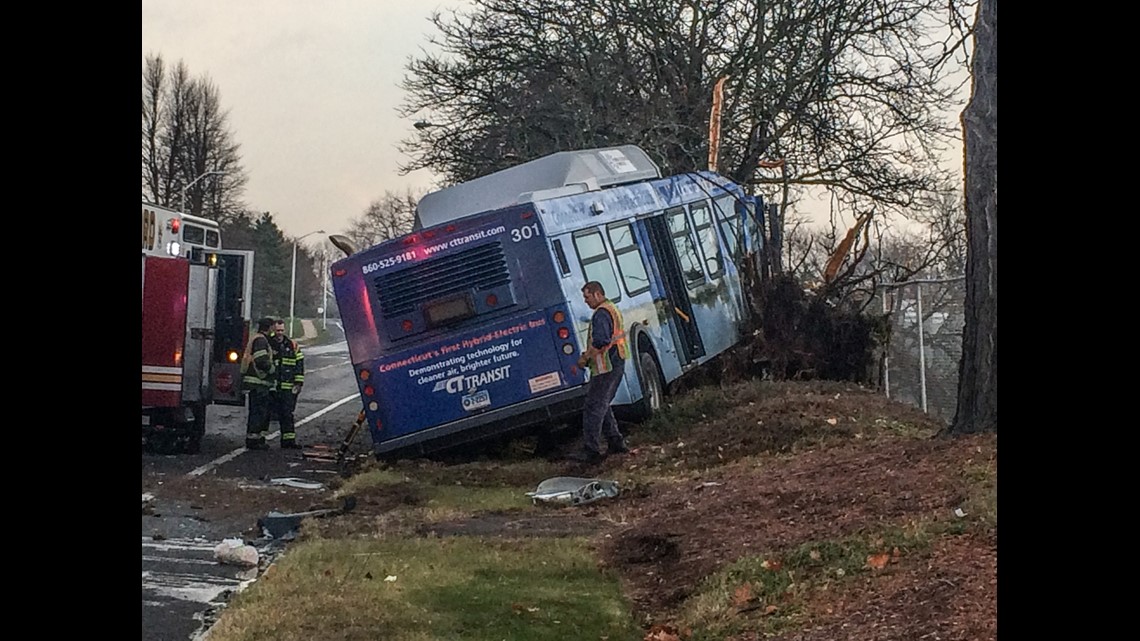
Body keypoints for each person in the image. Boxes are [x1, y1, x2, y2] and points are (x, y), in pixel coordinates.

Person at [568, 281, 631, 463]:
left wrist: (584, 358)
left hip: (607, 365)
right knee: (602, 404)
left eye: (587, 297)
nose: (585, 301)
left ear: (597, 294)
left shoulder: (601, 314)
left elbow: (601, 341)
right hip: (615, 362)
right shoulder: (611, 308)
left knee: (593, 407)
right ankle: (615, 442)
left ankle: (591, 451)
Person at [240, 317, 277, 450]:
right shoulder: (261, 340)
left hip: (259, 383)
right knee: (258, 412)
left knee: (260, 412)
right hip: (258, 383)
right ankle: (253, 440)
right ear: (270, 327)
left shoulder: (258, 338)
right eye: (273, 327)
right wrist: (273, 370)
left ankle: (258, 438)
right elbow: (261, 360)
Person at [269, 318, 305, 449]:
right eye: (277, 330)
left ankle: (288, 441)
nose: (279, 333)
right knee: (266, 414)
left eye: (282, 330)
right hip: (272, 387)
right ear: (273, 329)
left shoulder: (292, 345)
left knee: (287, 414)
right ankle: (258, 441)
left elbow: (299, 364)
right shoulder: (268, 343)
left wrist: (298, 382)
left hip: (287, 388)